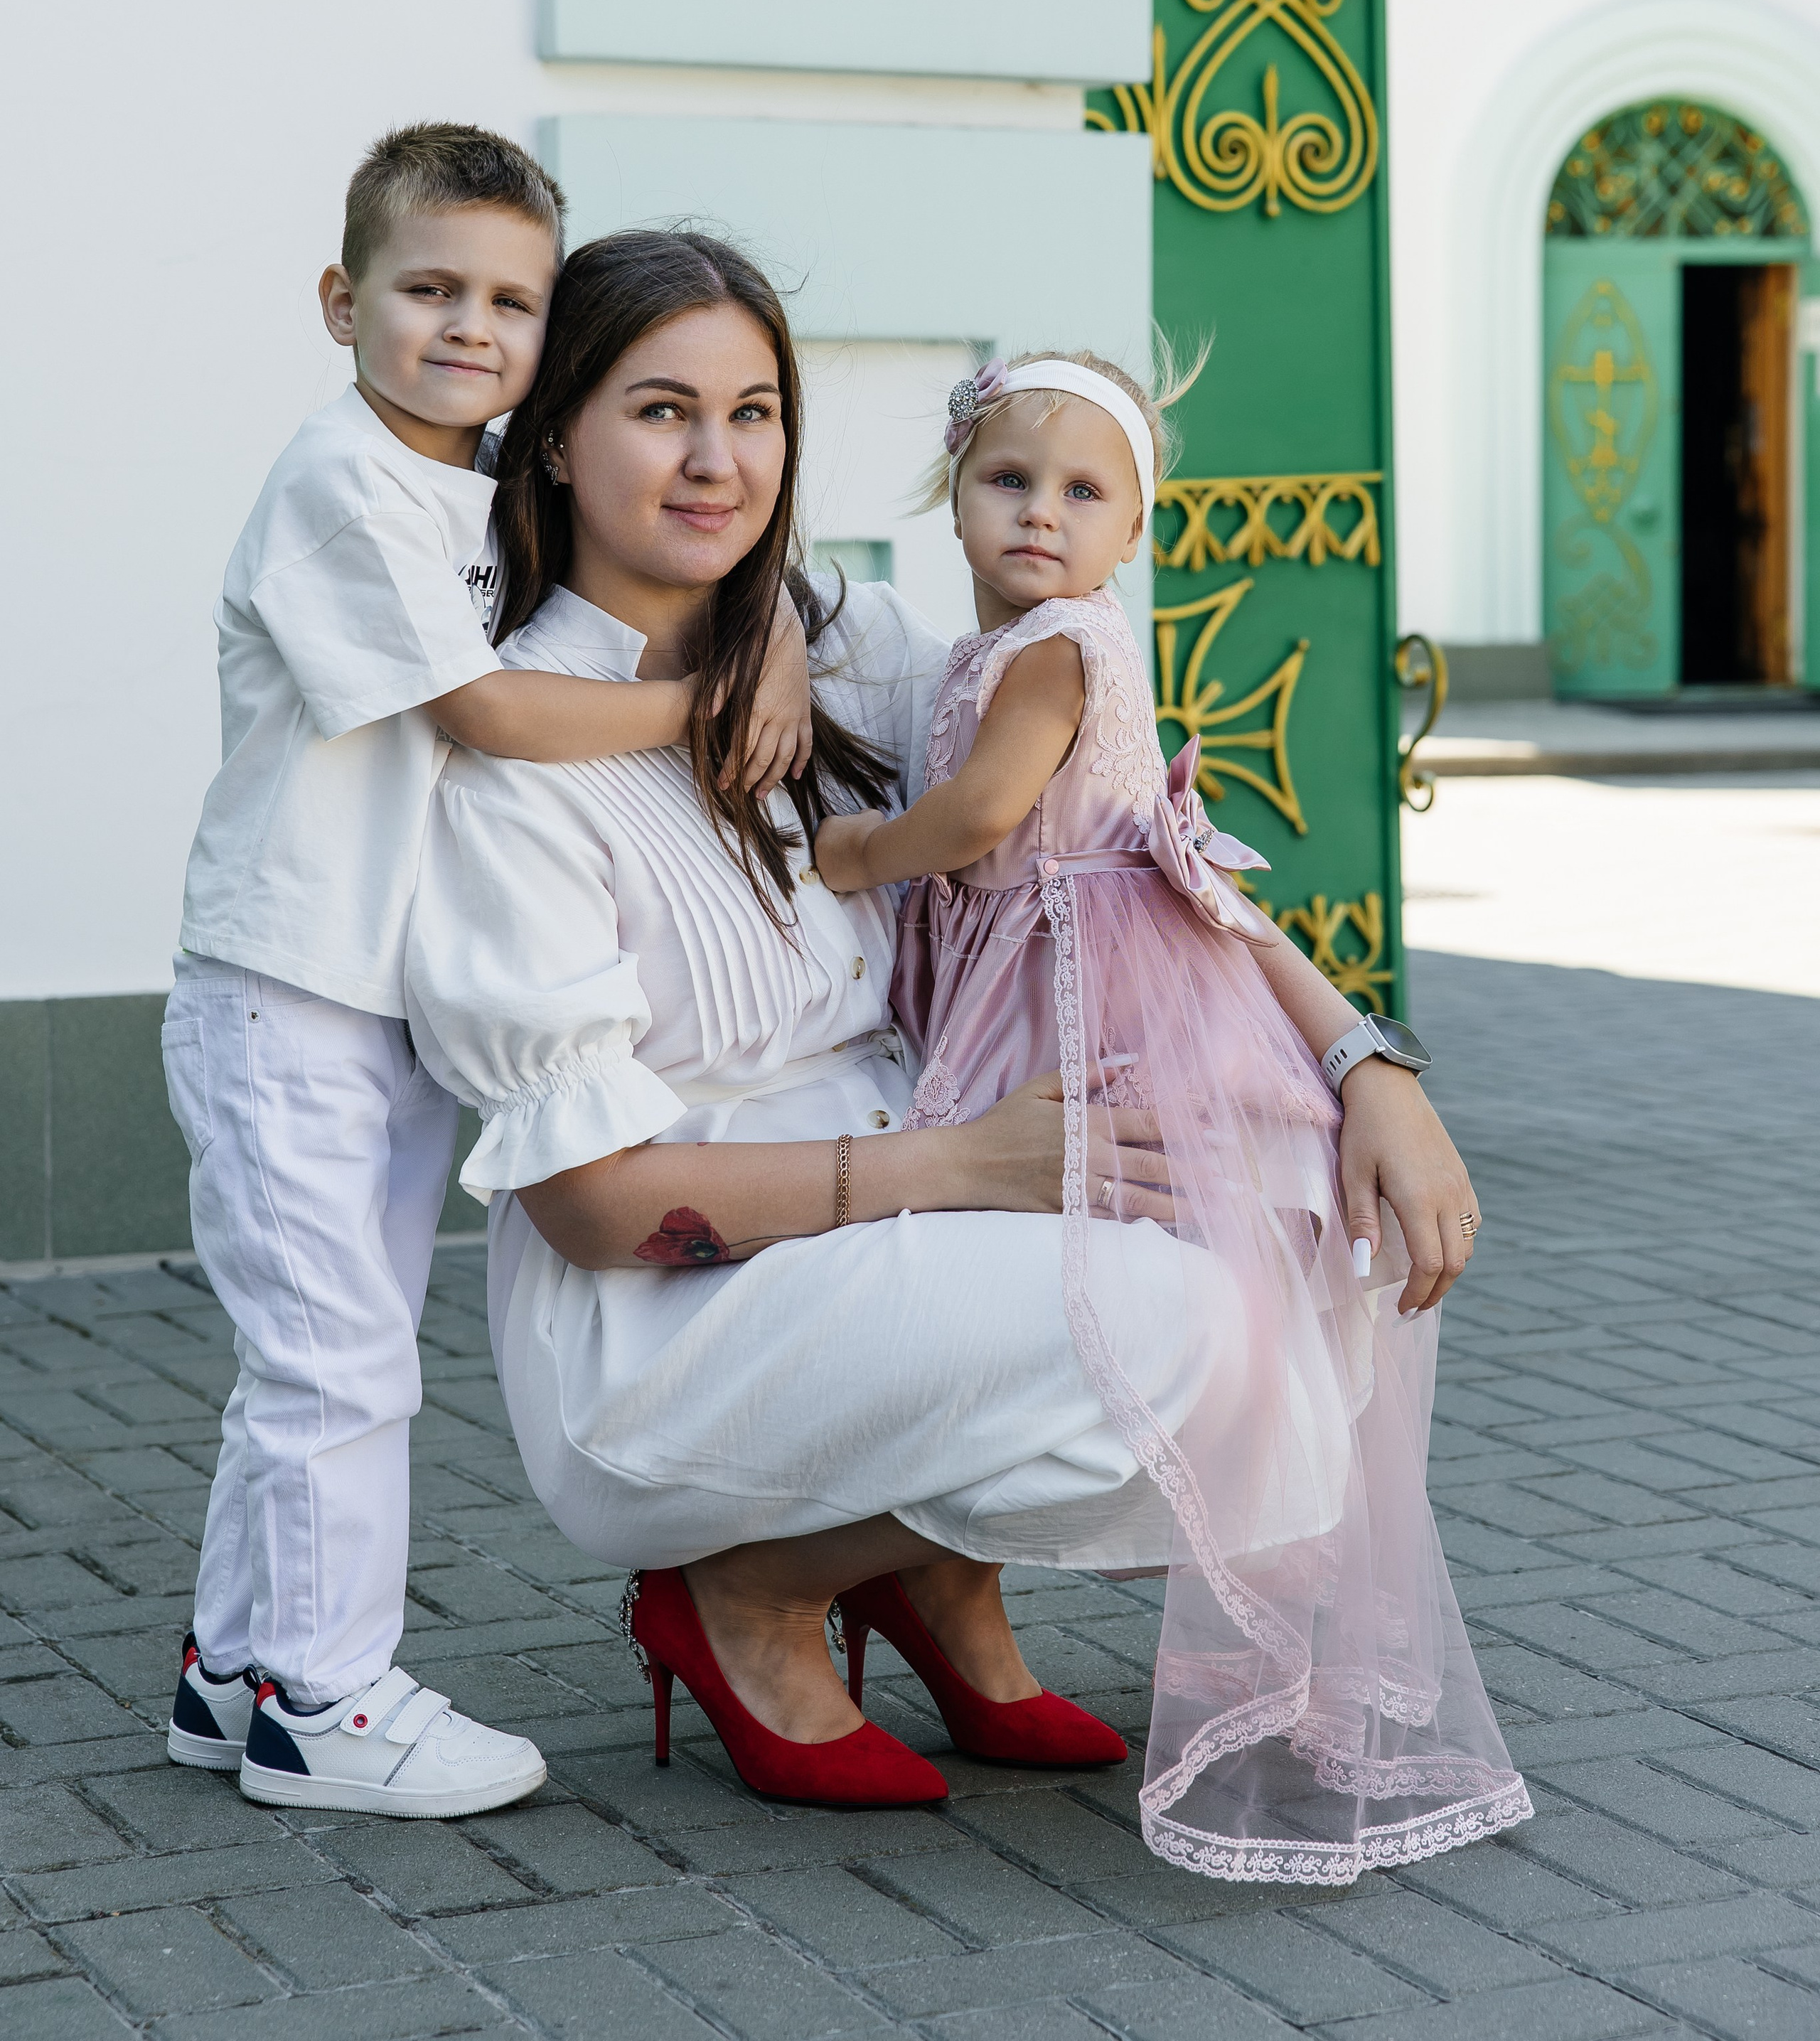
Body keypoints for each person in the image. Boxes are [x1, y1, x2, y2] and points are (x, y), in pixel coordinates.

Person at [403, 232, 1529, 1877]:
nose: (718, 461)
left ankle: (927, 1567)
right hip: (670, 1317)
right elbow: (588, 1208)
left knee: (1289, 1246)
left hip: (928, 1192)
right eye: (660, 410)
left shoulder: (841, 646)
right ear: (558, 434)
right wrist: (967, 1164)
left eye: (755, 412)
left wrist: (1367, 1068)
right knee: (1175, 1322)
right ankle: (755, 1584)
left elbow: (1134, 837)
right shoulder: (513, 765)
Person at [813, 349, 1531, 1875]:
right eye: (1007, 480)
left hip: (1083, 980)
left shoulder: (1055, 653)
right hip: (1062, 952)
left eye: (1084, 494)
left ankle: (965, 1555)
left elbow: (984, 823)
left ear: (1131, 535)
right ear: (949, 499)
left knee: (1095, 1249)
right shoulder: (989, 648)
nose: (1038, 515)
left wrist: (861, 851)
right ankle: (932, 1566)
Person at [162, 129, 808, 1818]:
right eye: (428, 289)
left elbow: (695, 515)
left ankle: (232, 1672)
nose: (471, 328)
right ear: (339, 299)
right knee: (337, 1364)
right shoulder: (340, 485)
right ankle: (322, 1700)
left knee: (321, 1349)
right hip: (282, 988)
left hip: (369, 1001)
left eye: (512, 301)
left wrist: (763, 632)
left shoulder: (465, 475)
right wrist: (705, 712)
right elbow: (488, 712)